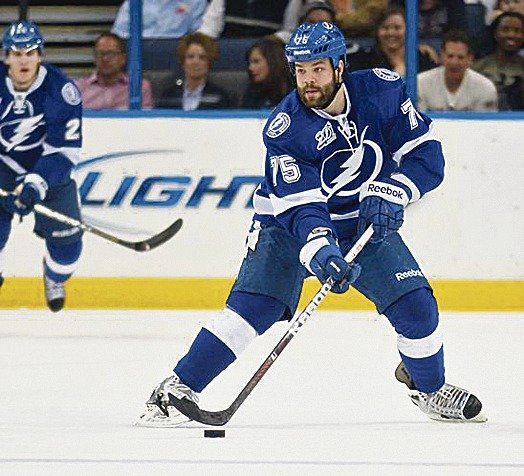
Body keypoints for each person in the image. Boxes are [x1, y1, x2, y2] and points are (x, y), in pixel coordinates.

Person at [136, 22, 486, 427]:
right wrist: (322, 253)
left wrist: (397, 190)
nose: (308, 80)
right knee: (255, 309)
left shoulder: (383, 92)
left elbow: (426, 156)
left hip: (363, 224)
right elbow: (302, 209)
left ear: (340, 66)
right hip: (287, 228)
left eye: (317, 69)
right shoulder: (286, 129)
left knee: (417, 308)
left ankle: (429, 388)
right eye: (300, 70)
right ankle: (174, 390)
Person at [0, 20, 84, 312]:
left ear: (41, 55)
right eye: (17, 53)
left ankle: (54, 277)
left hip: (49, 172)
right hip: (2, 168)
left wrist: (35, 182)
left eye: (30, 52)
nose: (24, 59)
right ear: (6, 56)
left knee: (68, 253)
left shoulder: (62, 91)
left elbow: (65, 152)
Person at [418, 29, 498, 111]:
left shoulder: (485, 88)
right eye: (450, 56)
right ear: (441, 55)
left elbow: (486, 122)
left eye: (460, 57)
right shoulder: (420, 83)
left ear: (470, 59)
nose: (454, 62)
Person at [348, 7, 438, 76]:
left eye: (397, 28)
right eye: (385, 28)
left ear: (408, 30)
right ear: (377, 31)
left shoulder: (422, 57)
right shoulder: (364, 60)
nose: (391, 33)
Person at [75, 33, 153, 110]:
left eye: (110, 54)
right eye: (100, 54)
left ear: (123, 58)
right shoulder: (79, 88)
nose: (105, 59)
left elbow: (145, 120)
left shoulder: (139, 88)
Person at [156, 32, 232, 110]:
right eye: (190, 57)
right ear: (183, 62)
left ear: (209, 62)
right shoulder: (169, 96)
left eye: (202, 57)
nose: (195, 62)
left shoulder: (219, 98)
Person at [474, 12, 524, 110]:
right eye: (505, 30)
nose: (511, 35)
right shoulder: (476, 68)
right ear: (495, 34)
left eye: (517, 31)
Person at [111, 0, 209, 39]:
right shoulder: (133, 2)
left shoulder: (196, 2)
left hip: (178, 59)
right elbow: (118, 34)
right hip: (138, 57)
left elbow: (199, 38)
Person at [240, 38, 293, 109]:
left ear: (273, 61)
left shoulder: (295, 95)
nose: (250, 68)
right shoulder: (251, 95)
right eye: (249, 63)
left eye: (256, 61)